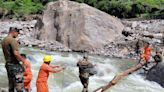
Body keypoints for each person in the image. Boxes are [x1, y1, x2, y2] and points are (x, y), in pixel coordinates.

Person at [1, 27, 26, 92]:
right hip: (15, 65)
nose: (17, 35)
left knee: (11, 85)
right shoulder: (12, 40)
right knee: (19, 86)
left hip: (8, 64)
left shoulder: (4, 40)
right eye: (17, 33)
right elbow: (16, 53)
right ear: (14, 32)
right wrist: (23, 61)